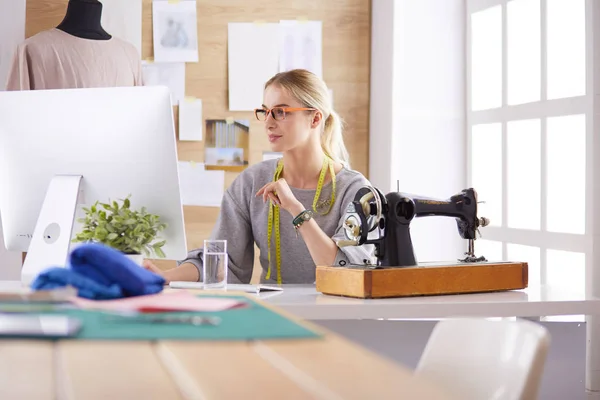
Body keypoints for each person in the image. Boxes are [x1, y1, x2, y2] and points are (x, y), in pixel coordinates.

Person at [143, 69, 375, 284]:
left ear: (315, 119)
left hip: (340, 319)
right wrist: (164, 278)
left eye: (281, 112)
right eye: (265, 111)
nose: (268, 122)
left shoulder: (356, 191)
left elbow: (347, 271)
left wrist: (296, 209)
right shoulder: (252, 182)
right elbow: (220, 261)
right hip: (274, 315)